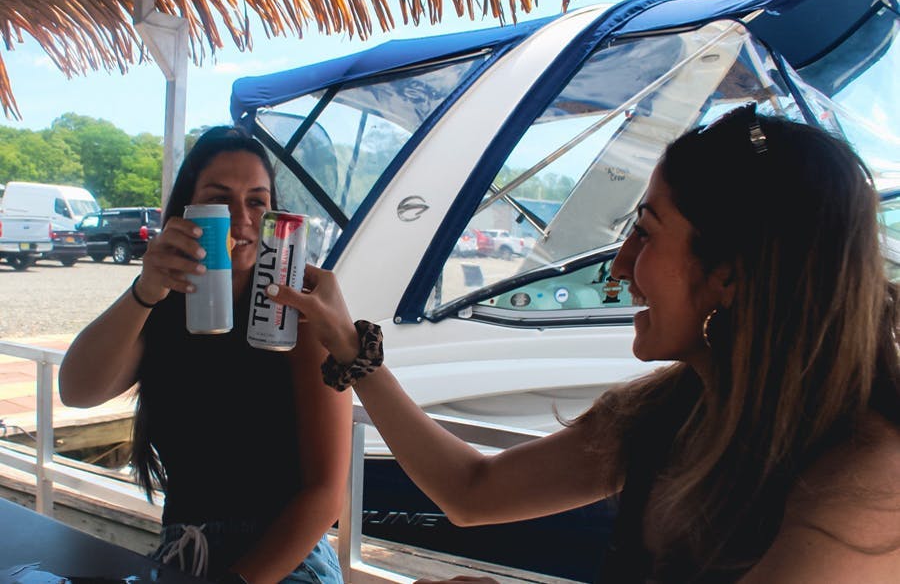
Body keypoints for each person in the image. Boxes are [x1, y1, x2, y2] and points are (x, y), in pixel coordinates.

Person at [267, 106, 900, 583]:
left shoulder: (865, 481)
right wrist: (353, 350)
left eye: (645, 235)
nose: (619, 267)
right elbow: (473, 489)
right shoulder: (665, 414)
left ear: (731, 274)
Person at [59, 127, 351, 584]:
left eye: (257, 201)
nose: (241, 219)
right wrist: (145, 290)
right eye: (220, 199)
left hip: (285, 563)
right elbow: (76, 390)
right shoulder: (161, 308)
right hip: (184, 556)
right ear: (188, 212)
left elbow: (326, 493)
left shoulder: (301, 311)